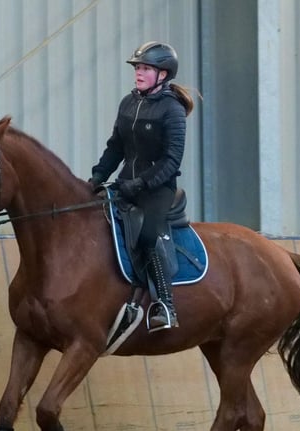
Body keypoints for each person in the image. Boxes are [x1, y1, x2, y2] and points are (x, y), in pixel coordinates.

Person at [89, 41, 194, 330]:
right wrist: (98, 176)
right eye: (137, 67)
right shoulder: (129, 102)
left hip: (158, 190)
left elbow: (171, 160)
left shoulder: (172, 110)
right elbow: (116, 147)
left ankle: (165, 305)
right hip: (126, 184)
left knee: (148, 236)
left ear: (162, 74)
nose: (138, 72)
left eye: (145, 68)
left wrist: (141, 184)